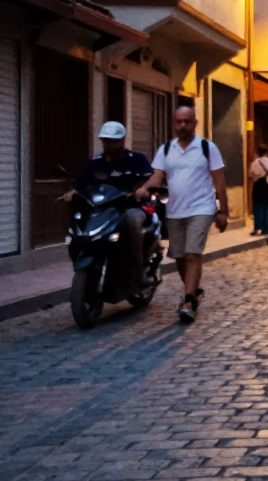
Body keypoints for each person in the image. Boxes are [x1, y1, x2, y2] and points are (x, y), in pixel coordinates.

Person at [135, 106, 228, 324]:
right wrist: (144, 188)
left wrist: (223, 210)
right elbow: (157, 177)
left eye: (187, 121)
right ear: (174, 123)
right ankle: (193, 292)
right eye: (179, 121)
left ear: (195, 123)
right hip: (175, 210)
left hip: (202, 208)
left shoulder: (207, 147)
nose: (183, 125)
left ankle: (188, 301)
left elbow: (219, 181)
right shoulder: (166, 149)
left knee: (192, 254)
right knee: (178, 255)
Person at [69, 121, 154, 287]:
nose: (110, 144)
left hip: (129, 207)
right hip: (101, 210)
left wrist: (142, 189)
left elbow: (150, 179)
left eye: (114, 140)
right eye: (106, 140)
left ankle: (138, 268)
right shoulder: (94, 163)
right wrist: (72, 193)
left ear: (122, 140)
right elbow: (80, 185)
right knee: (79, 221)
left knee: (132, 221)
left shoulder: (137, 160)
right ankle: (84, 259)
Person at [249, 144, 268, 236]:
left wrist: (256, 176)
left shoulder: (255, 163)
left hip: (258, 187)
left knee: (257, 208)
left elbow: (251, 175)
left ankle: (257, 229)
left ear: (258, 153)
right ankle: (266, 229)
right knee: (266, 207)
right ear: (267, 152)